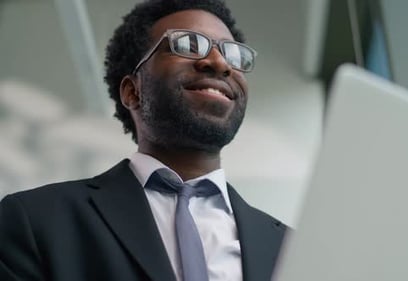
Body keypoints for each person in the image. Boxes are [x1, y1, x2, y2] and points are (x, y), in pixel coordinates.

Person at [0, 0, 288, 280]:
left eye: (232, 54)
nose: (219, 63)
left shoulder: (290, 247)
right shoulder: (35, 221)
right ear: (132, 91)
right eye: (187, 44)